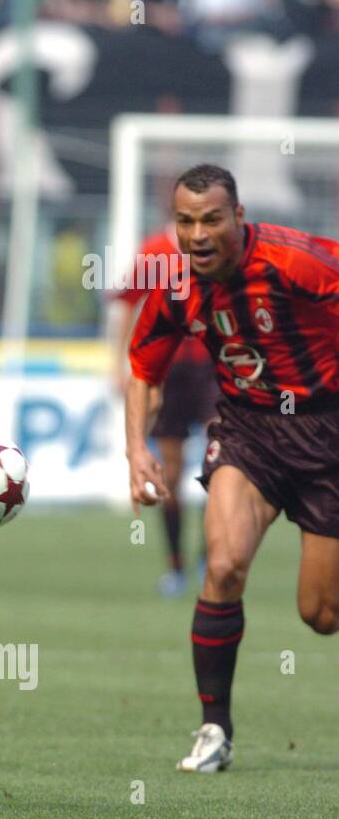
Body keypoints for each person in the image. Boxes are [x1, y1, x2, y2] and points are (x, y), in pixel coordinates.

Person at [127, 163, 339, 773]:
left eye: (211, 219)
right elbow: (143, 366)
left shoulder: (297, 262)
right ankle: (214, 729)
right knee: (222, 565)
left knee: (321, 616)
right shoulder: (173, 285)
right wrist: (135, 449)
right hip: (248, 431)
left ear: (238, 218)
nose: (197, 234)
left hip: (328, 432)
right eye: (186, 221)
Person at [112, 223, 219, 596]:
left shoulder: (222, 249)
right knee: (171, 474)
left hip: (215, 367)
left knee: (222, 460)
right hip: (169, 370)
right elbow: (128, 303)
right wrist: (118, 363)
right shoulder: (155, 250)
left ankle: (213, 557)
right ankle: (176, 567)